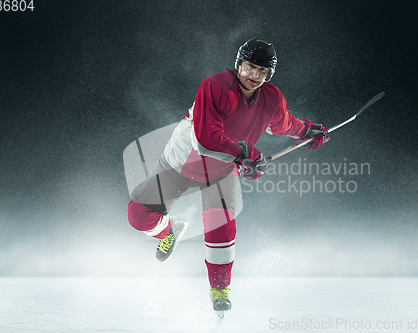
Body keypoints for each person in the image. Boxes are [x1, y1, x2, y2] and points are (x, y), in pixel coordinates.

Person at [127, 38, 329, 314]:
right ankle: (169, 230)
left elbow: (284, 124)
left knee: (220, 224)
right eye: (249, 67)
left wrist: (307, 131)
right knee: (139, 215)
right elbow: (207, 140)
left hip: (222, 170)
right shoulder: (214, 87)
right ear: (239, 65)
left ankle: (219, 288)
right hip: (183, 161)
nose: (254, 75)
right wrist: (245, 154)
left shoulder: (271, 97)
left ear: (268, 74)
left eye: (261, 71)